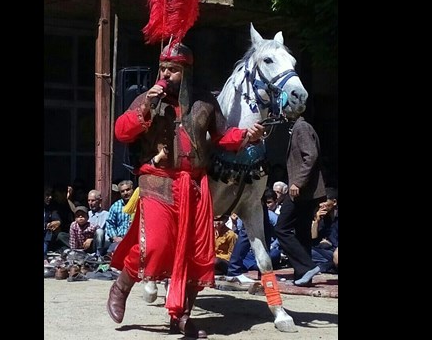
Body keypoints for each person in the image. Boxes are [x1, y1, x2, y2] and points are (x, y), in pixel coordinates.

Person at [106, 42, 265, 338]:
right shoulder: (146, 98)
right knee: (156, 245)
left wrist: (246, 135)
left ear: (186, 71)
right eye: (163, 68)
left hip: (195, 185)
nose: (166, 73)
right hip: (157, 179)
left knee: (196, 254)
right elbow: (121, 131)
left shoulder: (205, 101)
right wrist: (146, 108)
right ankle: (122, 285)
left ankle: (181, 315)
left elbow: (222, 136)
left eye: (173, 69)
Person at [274, 113, 326, 286]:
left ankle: (307, 267)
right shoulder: (299, 127)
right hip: (307, 191)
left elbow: (310, 156)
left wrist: (298, 182)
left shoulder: (301, 127)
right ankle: (303, 274)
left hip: (301, 191)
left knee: (282, 228)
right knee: (302, 231)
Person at [311, 188, 338, 274]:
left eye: (324, 201)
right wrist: (317, 221)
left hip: (336, 251)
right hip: (328, 251)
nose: (321, 205)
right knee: (304, 251)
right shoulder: (324, 217)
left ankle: (323, 267)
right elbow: (313, 238)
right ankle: (329, 266)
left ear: (334, 202)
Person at [105, 180, 134, 254]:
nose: (125, 193)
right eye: (122, 191)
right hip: (119, 239)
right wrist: (115, 237)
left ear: (132, 190)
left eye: (127, 190)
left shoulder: (139, 204)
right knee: (111, 253)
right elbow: (110, 224)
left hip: (135, 239)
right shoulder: (115, 206)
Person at [87, 189, 110, 256]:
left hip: (100, 243)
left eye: (93, 200)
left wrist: (92, 239)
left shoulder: (106, 215)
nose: (90, 203)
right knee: (62, 235)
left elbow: (107, 236)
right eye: (89, 200)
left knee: (99, 231)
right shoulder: (86, 214)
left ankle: (98, 255)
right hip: (86, 243)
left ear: (100, 201)